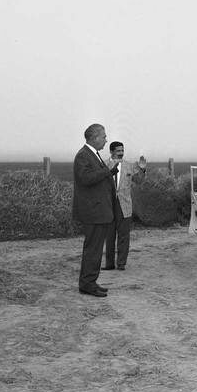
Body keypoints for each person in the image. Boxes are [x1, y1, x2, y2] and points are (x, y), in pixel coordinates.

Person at [72, 123, 119, 297]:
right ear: (94, 138)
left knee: (96, 249)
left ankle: (90, 282)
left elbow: (96, 178)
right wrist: (107, 171)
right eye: (104, 136)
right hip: (93, 211)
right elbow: (85, 179)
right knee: (93, 248)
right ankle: (87, 284)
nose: (106, 140)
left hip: (98, 211)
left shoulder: (93, 154)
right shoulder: (83, 155)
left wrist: (109, 172)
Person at [105, 141, 147, 271]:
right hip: (108, 204)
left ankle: (121, 264)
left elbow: (139, 181)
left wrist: (142, 169)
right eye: (118, 151)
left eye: (122, 150)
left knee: (124, 235)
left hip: (125, 205)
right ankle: (109, 264)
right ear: (111, 152)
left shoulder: (129, 166)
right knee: (109, 235)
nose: (121, 153)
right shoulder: (104, 165)